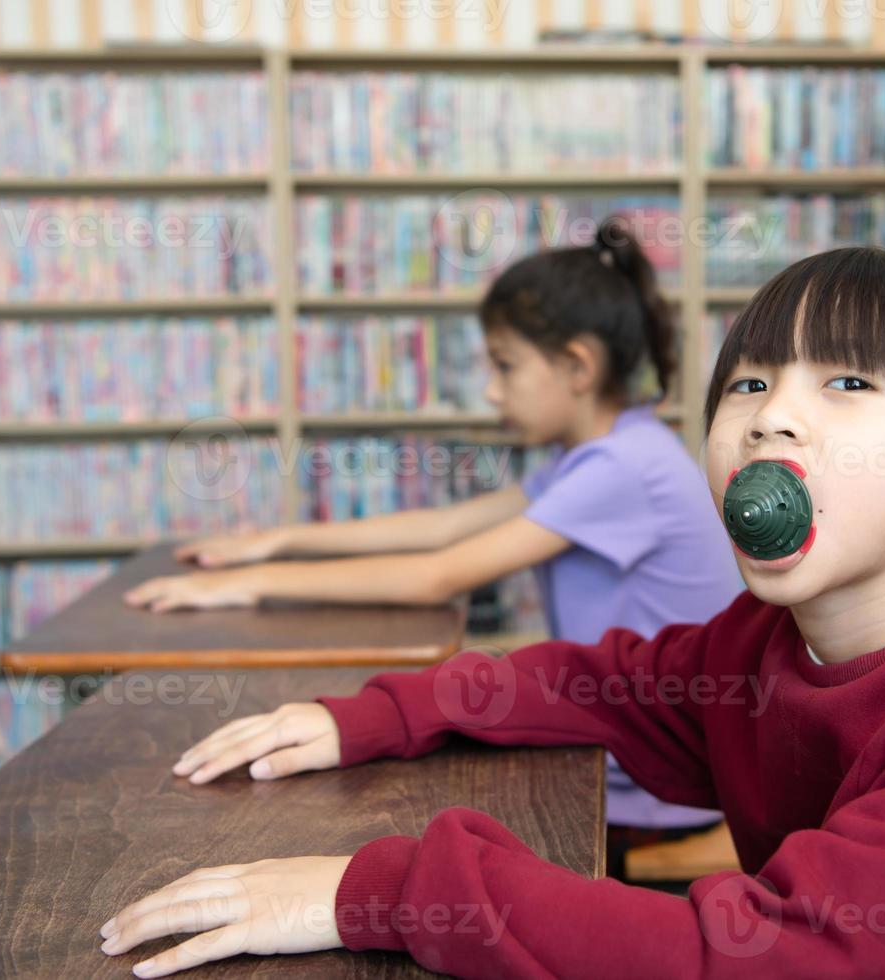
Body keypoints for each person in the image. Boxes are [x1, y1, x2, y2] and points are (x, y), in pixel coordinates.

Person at [100, 246, 885, 978]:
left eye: (847, 384)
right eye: (750, 384)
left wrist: (384, 887)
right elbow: (603, 681)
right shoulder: (773, 639)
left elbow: (762, 957)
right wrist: (375, 715)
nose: (770, 421)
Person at [123, 216, 742, 854]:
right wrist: (277, 542)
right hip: (630, 755)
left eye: (505, 365)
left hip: (650, 786)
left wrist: (246, 586)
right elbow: (442, 527)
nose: (490, 389)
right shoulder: (604, 452)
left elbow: (438, 574)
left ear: (578, 366)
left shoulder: (622, 468)